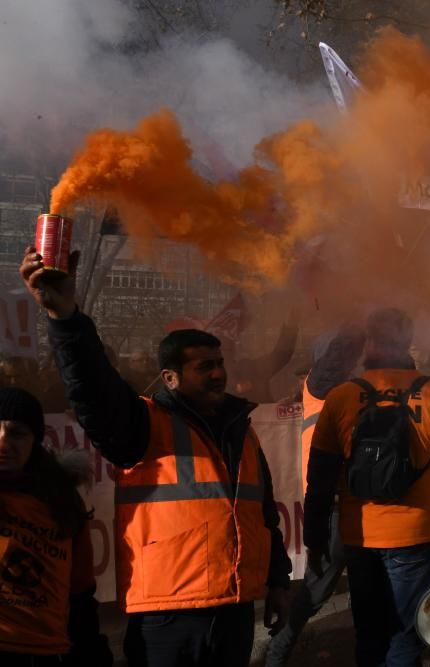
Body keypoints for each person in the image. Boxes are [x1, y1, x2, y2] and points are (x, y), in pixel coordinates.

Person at [19, 247, 292, 667]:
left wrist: (277, 582)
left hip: (235, 608)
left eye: (219, 363)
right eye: (204, 366)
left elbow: (263, 517)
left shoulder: (242, 428)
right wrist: (65, 318)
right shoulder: (144, 424)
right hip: (167, 616)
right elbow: (93, 387)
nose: (218, 372)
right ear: (170, 377)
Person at [304, 308, 430, 667]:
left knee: (368, 632)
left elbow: (319, 478)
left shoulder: (342, 397)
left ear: (371, 343)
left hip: (359, 535)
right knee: (407, 633)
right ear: (408, 342)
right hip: (414, 534)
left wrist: (314, 539)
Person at [265, 324, 365, 667]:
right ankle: (276, 655)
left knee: (359, 589)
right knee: (316, 591)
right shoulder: (322, 388)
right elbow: (341, 351)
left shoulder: (340, 392)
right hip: (335, 508)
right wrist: (360, 314)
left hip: (348, 505)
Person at [0, 386, 112, 666]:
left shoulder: (62, 500)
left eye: (17, 433)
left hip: (48, 652)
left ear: (35, 440)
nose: (3, 444)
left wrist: (90, 651)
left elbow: (81, 590)